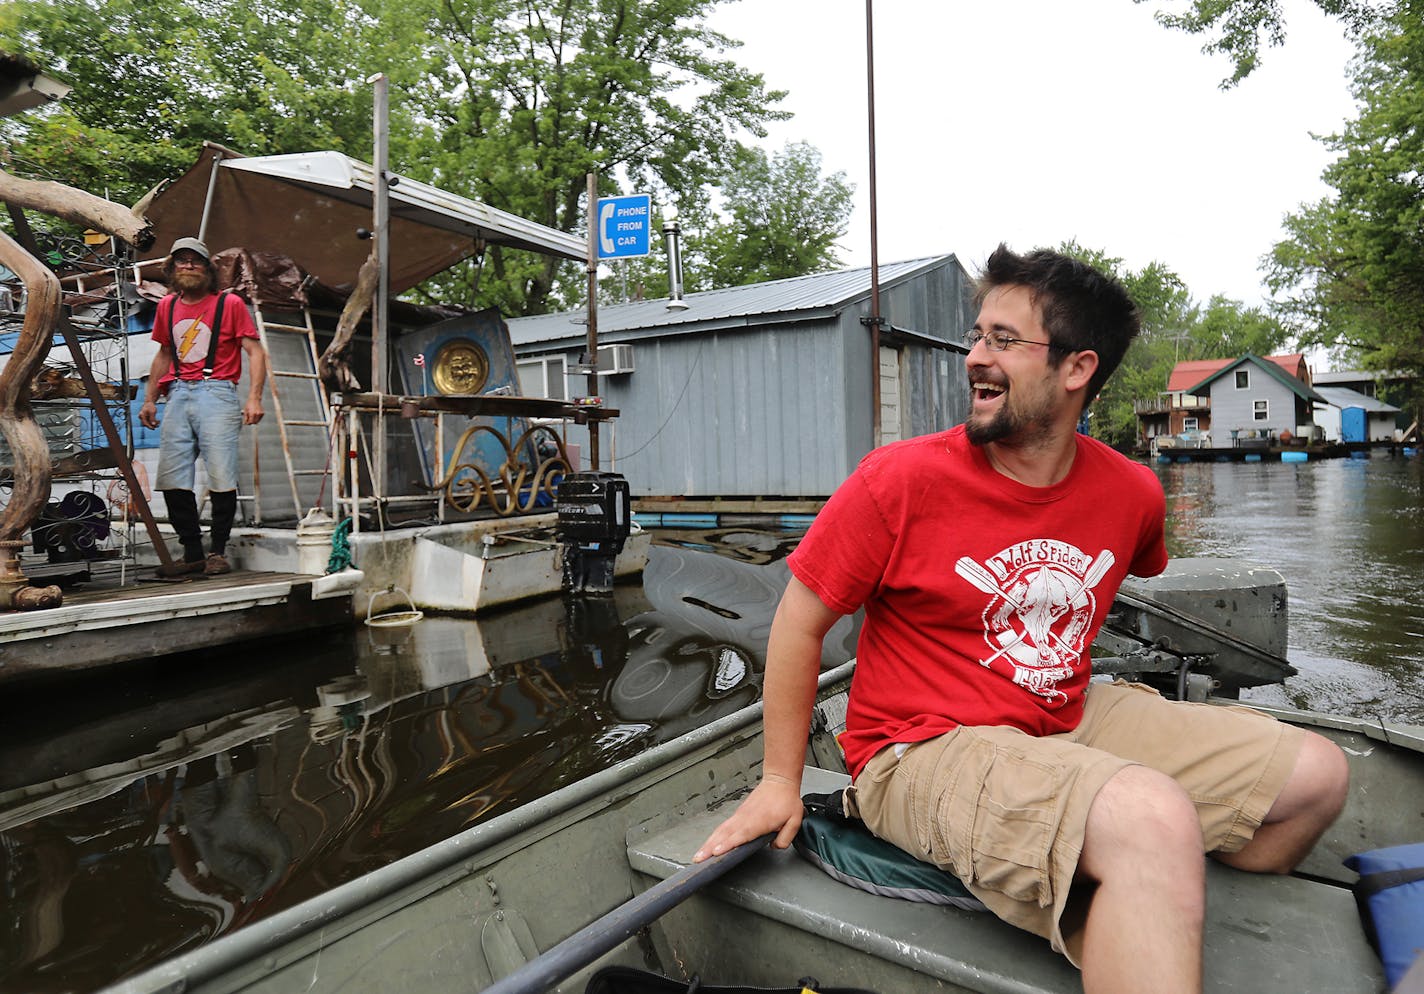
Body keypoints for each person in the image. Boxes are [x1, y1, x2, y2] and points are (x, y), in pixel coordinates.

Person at [695, 245, 1350, 994]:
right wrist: (780, 779)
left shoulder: (1132, 494)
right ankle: (1140, 862)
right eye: (978, 336)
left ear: (1077, 369)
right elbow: (798, 623)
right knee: (1152, 819)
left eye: (1003, 341)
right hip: (921, 746)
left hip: (1066, 714)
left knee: (1317, 778)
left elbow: (1132, 566)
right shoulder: (898, 481)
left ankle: (1145, 887)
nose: (975, 357)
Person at [138, 237, 267, 576]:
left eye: (196, 260)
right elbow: (165, 354)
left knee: (222, 474)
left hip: (218, 392)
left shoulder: (230, 304)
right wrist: (150, 399)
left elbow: (256, 352)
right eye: (181, 260)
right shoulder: (166, 306)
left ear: (208, 269)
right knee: (171, 476)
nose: (189, 265)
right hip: (177, 393)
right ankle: (193, 552)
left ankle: (218, 552)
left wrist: (254, 396)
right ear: (172, 269)